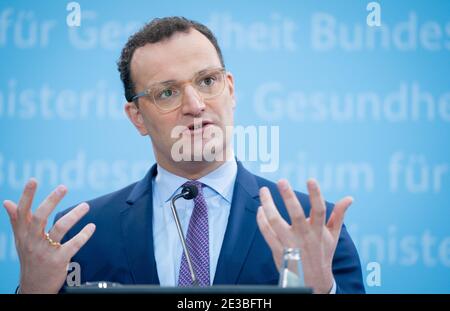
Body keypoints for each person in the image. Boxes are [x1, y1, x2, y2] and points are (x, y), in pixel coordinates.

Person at [3, 17, 365, 294]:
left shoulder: (314, 231)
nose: (195, 106)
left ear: (231, 89)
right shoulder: (78, 237)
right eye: (167, 93)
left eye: (207, 81)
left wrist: (320, 290)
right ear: (137, 118)